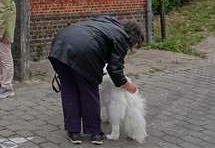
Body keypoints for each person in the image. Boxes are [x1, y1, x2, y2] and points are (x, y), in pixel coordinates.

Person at [48, 16, 144, 145]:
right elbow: (115, 69)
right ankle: (95, 133)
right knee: (89, 92)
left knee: (69, 92)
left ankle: (73, 133)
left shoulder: (108, 21)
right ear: (131, 34)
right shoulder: (122, 36)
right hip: (84, 51)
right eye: (133, 43)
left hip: (59, 44)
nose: (129, 47)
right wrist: (128, 85)